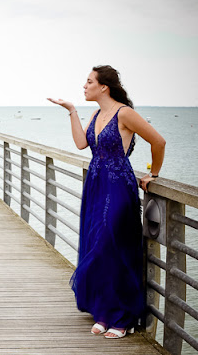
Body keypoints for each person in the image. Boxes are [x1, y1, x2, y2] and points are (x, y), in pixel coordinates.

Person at [48, 65, 166, 339]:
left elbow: (158, 141)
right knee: (95, 243)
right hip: (96, 186)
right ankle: (103, 312)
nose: (84, 86)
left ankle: (122, 316)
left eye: (89, 82)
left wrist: (154, 174)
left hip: (118, 186)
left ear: (104, 86)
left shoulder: (125, 113)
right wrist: (71, 110)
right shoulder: (96, 113)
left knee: (111, 246)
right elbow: (81, 143)